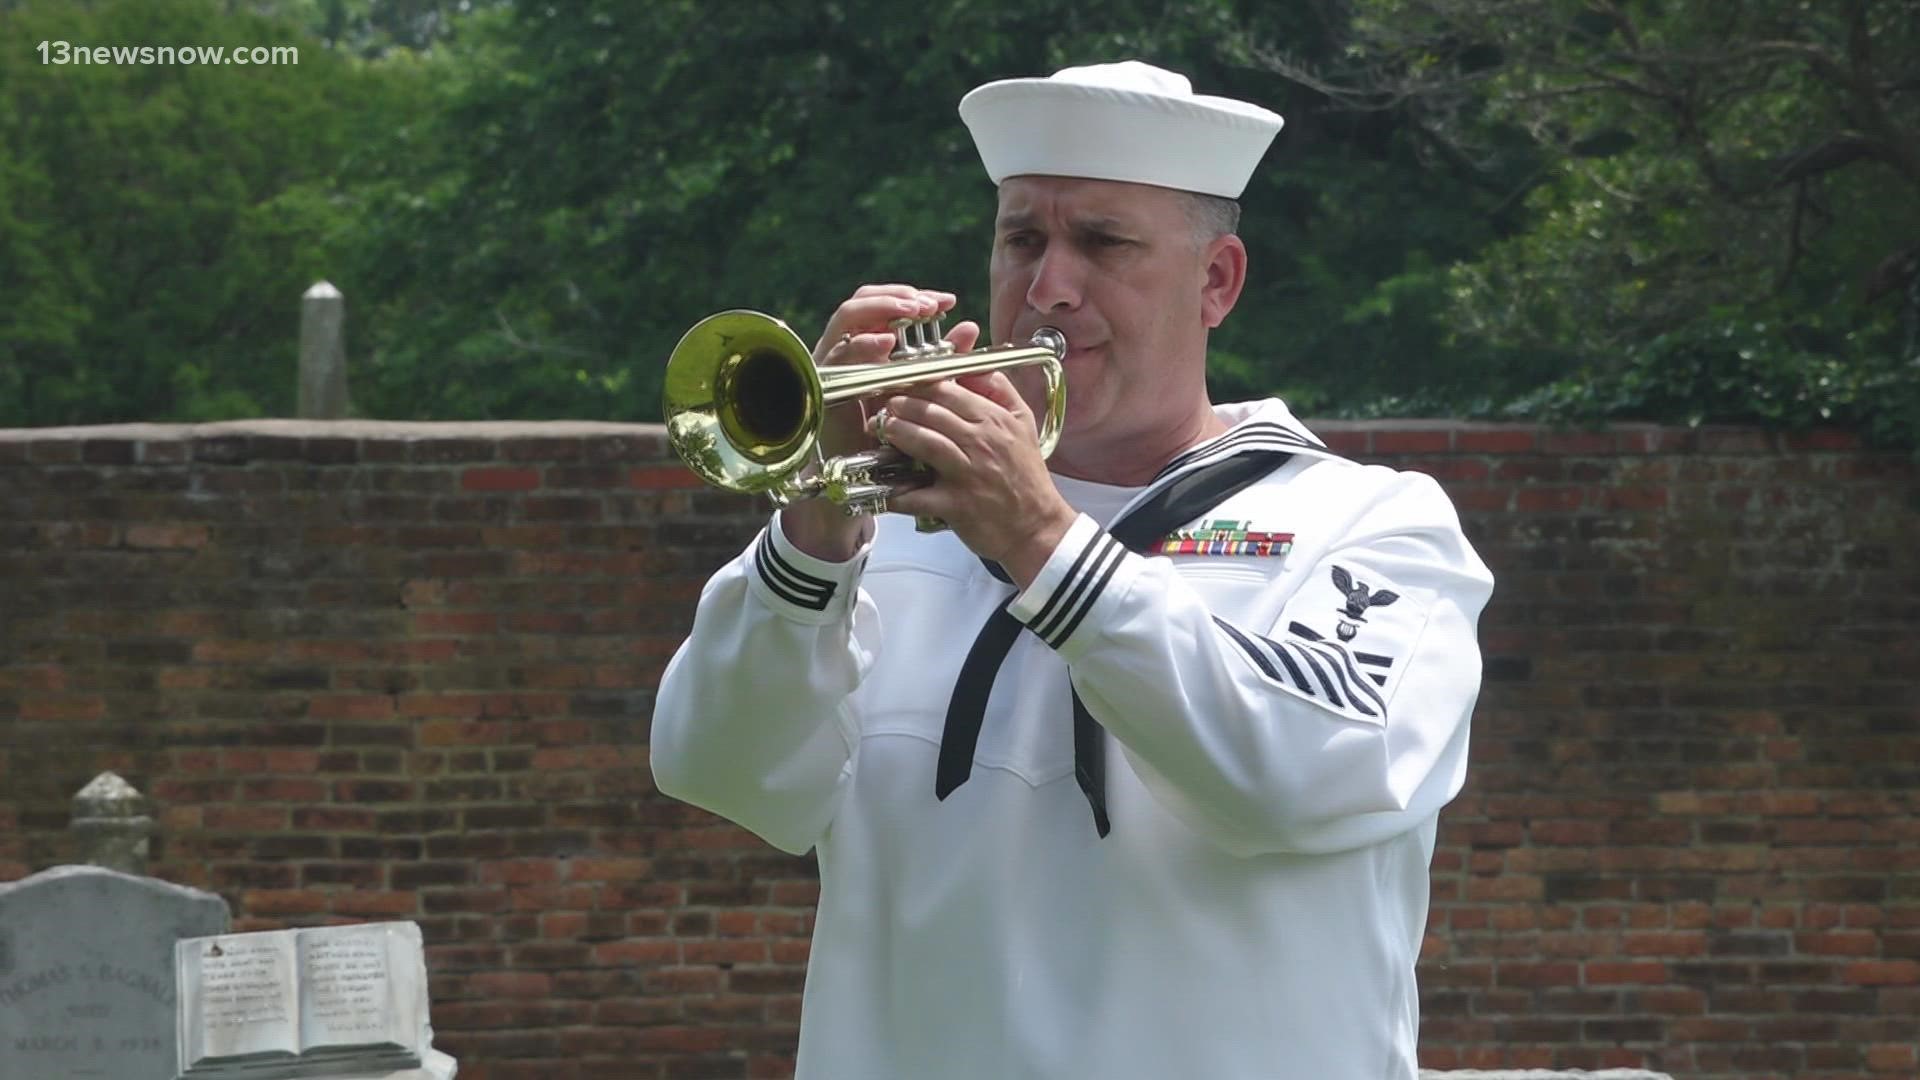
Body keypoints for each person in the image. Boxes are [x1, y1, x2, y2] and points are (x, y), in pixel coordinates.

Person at [651, 60, 1495, 1080]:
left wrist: (1043, 543)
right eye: (1023, 240)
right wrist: (814, 524)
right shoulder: (892, 527)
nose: (1049, 288)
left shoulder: (1366, 524)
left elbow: (1300, 771)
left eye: (1103, 242)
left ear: (1216, 281)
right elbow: (722, 773)